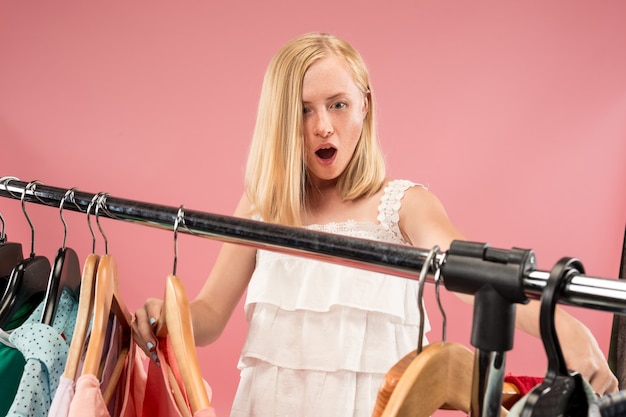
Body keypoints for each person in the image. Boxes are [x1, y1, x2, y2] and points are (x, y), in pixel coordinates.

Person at [132, 32, 618, 416]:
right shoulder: (263, 207)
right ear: (279, 120)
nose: (322, 126)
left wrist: (566, 328)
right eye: (302, 111)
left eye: (337, 104)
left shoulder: (403, 205)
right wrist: (171, 317)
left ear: (364, 104)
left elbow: (477, 278)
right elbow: (211, 315)